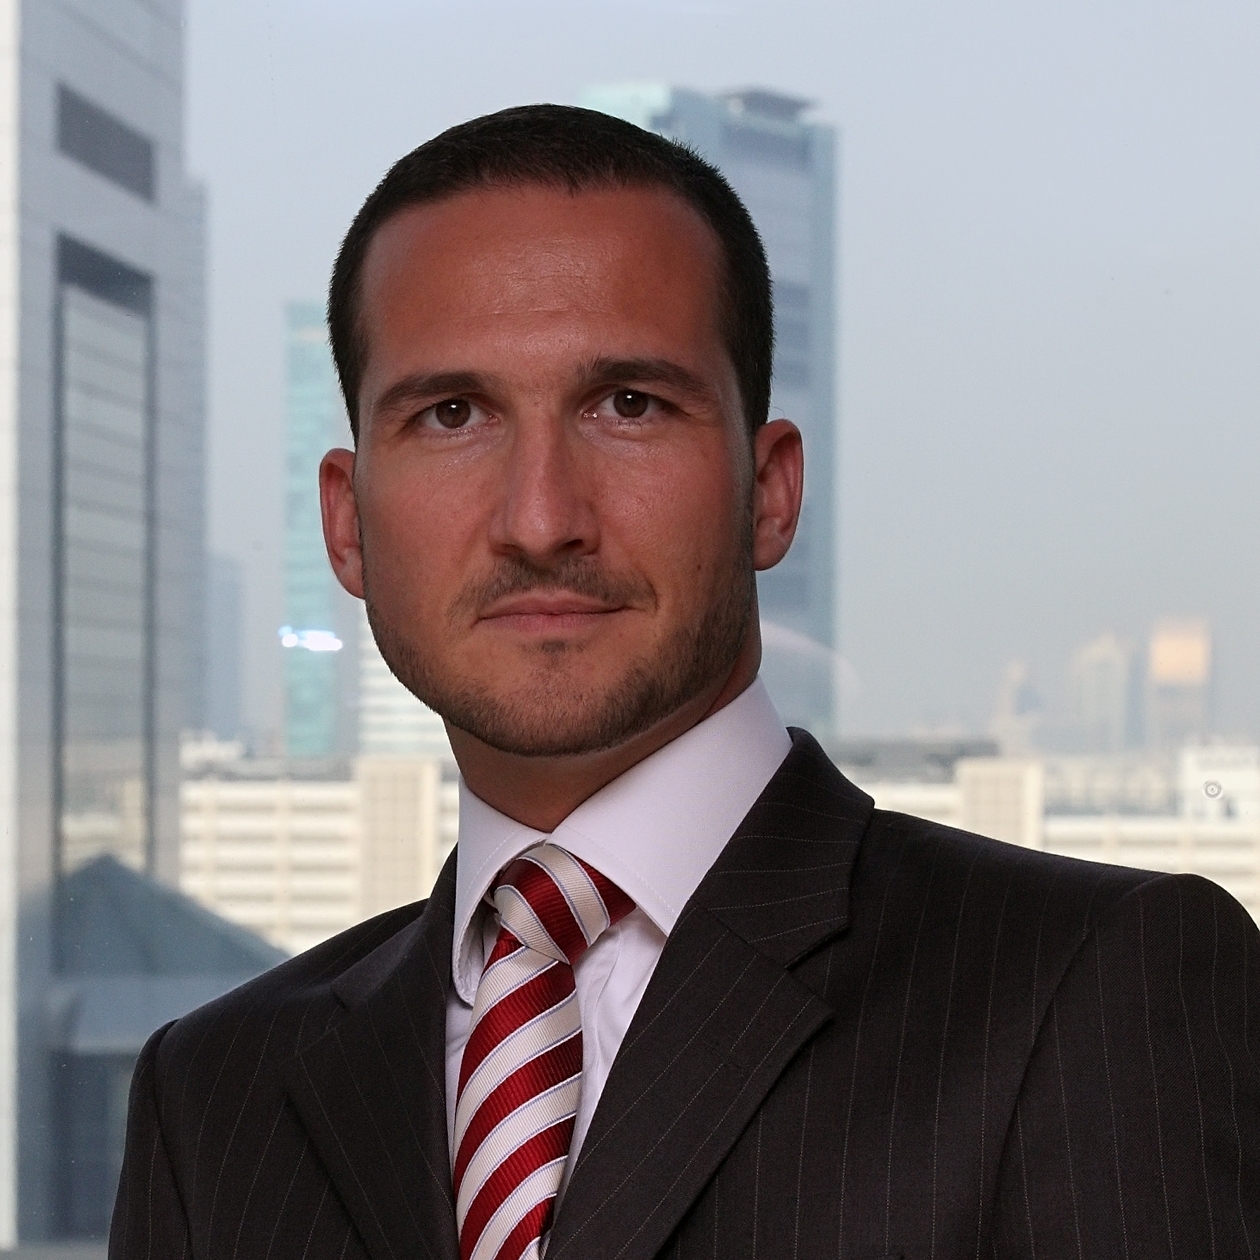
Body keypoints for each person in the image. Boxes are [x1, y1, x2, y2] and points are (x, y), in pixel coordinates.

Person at [110, 105, 1259, 1260]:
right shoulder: (213, 1096)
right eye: (452, 415)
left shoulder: (1090, 988)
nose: (541, 520)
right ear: (346, 525)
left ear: (770, 491)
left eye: (630, 406)